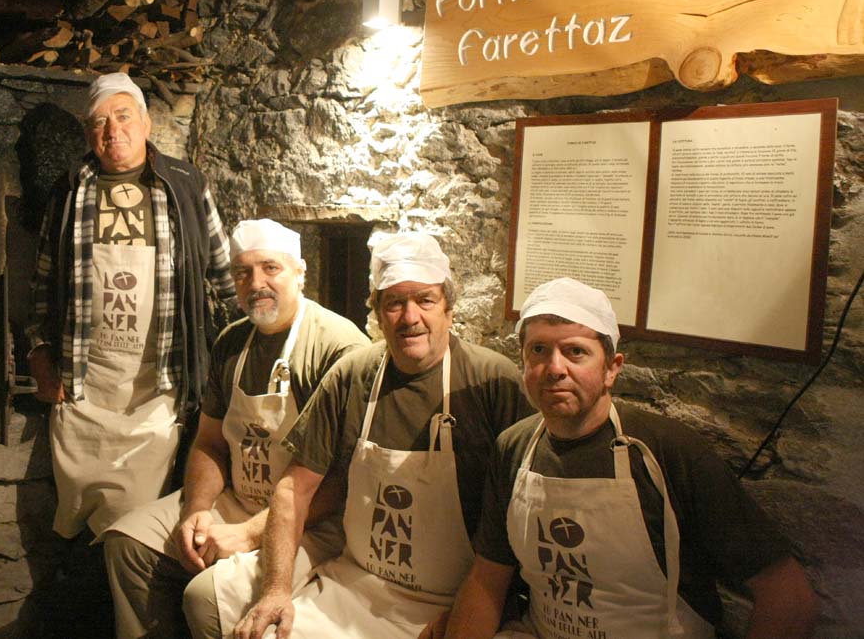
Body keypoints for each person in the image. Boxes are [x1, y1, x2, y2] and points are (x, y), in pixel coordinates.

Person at [444, 277, 818, 639]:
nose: (555, 368)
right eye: (538, 350)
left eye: (576, 351)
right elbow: (488, 578)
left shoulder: (669, 453)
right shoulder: (514, 447)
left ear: (612, 368)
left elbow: (787, 595)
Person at [234, 232, 533, 639]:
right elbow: (293, 490)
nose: (410, 317)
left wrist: (473, 610)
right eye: (394, 303)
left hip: (450, 597)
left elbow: (519, 522)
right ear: (377, 313)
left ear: (449, 309)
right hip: (355, 585)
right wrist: (276, 590)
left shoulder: (492, 382)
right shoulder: (353, 375)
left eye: (425, 300)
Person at [104, 219, 369, 639]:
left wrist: (248, 534)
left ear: (300, 272)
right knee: (127, 544)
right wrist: (197, 510)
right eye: (243, 272)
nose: (256, 283)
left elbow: (342, 480)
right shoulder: (232, 343)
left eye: (270, 268)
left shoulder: (338, 347)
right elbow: (209, 443)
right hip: (238, 498)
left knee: (207, 596)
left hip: (311, 519)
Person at [25, 71, 236, 542]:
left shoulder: (185, 184)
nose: (112, 130)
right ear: (88, 134)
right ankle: (83, 583)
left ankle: (121, 583)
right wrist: (39, 352)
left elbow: (224, 272)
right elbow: (42, 282)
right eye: (99, 122)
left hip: (156, 393)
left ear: (145, 123)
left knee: (136, 529)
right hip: (87, 390)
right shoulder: (69, 190)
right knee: (78, 522)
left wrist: (249, 350)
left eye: (123, 116)